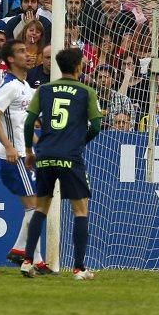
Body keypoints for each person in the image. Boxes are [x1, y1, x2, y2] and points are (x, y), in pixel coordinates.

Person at [21, 48, 103, 280]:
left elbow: (28, 124)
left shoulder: (44, 90)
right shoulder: (87, 91)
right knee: (80, 210)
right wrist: (78, 142)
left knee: (40, 208)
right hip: (70, 156)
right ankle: (79, 268)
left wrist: (29, 150)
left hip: (45, 155)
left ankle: (28, 261)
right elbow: (96, 127)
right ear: (78, 66)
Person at [0, 39, 52, 272]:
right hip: (13, 158)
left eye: (28, 50)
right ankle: (29, 256)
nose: (28, 55)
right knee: (35, 207)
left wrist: (36, 144)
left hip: (24, 155)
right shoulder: (10, 86)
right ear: (11, 59)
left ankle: (27, 255)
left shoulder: (25, 87)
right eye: (22, 52)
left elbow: (24, 123)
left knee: (34, 208)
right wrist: (9, 147)